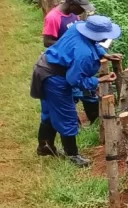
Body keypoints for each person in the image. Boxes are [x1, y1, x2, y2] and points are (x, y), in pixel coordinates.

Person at [31, 14, 121, 166]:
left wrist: (105, 54)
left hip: (44, 68)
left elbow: (91, 44)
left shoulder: (76, 29)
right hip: (55, 78)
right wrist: (99, 80)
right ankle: (72, 155)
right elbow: (74, 80)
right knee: (67, 115)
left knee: (49, 111)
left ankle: (45, 146)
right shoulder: (84, 54)